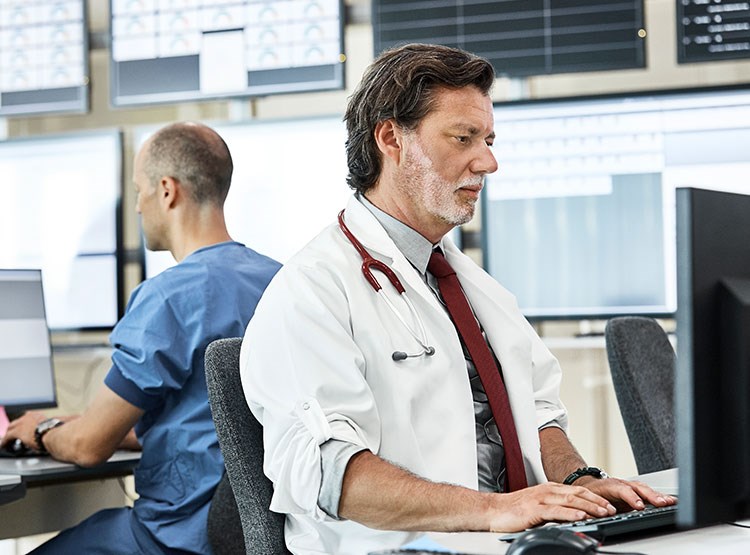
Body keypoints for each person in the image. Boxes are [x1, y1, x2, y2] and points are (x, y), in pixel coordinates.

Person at [239, 44, 675, 555]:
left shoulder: (471, 285)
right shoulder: (310, 291)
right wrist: (495, 510)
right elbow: (331, 472)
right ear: (390, 138)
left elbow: (536, 413)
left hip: (512, 537)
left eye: (488, 139)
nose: (488, 161)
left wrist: (578, 482)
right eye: (463, 138)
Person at [1, 122, 281, 554]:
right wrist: (75, 422)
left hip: (171, 539)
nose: (137, 206)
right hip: (258, 535)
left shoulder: (169, 298)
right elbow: (208, 424)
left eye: (138, 190)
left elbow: (89, 447)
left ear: (167, 191)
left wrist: (41, 431)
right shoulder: (279, 282)